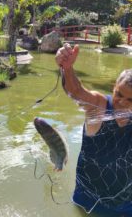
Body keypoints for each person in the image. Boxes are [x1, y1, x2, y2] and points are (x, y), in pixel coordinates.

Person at [55, 43, 132, 217]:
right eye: (119, 94)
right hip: (88, 203)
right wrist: (67, 68)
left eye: (130, 99)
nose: (122, 102)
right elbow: (76, 92)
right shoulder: (99, 106)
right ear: (114, 87)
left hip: (126, 206)